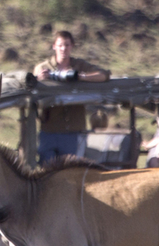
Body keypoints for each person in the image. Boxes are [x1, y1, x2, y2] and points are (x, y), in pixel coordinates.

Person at [31, 29, 109, 162]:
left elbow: (103, 75)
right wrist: (38, 79)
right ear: (54, 46)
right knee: (46, 168)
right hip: (49, 129)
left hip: (73, 130)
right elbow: (31, 91)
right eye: (60, 45)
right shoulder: (43, 67)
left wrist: (80, 77)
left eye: (67, 45)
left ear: (72, 46)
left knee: (71, 169)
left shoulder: (79, 65)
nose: (63, 49)